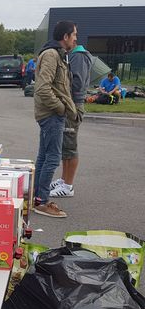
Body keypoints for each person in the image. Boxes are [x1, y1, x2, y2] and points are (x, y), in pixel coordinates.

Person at [32, 20, 78, 218]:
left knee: (44, 157)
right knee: (52, 158)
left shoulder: (59, 55)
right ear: (65, 36)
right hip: (51, 115)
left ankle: (37, 197)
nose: (76, 38)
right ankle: (42, 201)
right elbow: (43, 88)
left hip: (51, 114)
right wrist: (60, 109)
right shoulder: (51, 55)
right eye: (74, 34)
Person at [50, 45, 93, 198]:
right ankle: (63, 179)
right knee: (65, 146)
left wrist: (62, 94)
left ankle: (68, 186)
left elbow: (77, 83)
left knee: (70, 145)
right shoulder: (71, 55)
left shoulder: (79, 56)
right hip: (70, 104)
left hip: (73, 105)